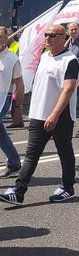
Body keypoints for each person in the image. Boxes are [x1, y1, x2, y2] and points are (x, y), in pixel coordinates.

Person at [0, 24, 78, 205]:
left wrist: (54, 114)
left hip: (60, 115)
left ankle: (68, 187)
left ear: (63, 37)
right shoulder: (44, 57)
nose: (48, 38)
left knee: (64, 151)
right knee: (31, 154)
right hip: (38, 114)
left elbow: (68, 89)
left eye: (52, 35)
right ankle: (19, 192)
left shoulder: (70, 60)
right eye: (46, 35)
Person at [0, 26, 23, 177]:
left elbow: (19, 84)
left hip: (4, 98)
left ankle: (14, 163)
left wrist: (18, 107)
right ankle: (14, 163)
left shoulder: (12, 59)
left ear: (6, 38)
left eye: (0, 36)